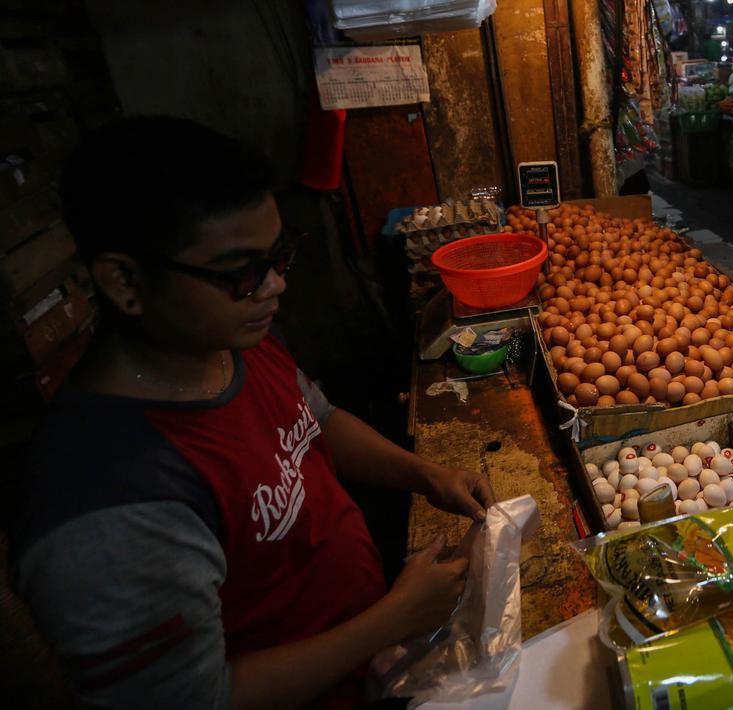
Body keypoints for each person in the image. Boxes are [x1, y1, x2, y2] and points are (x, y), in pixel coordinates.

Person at [12, 117, 496, 709]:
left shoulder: (231, 342)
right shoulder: (112, 503)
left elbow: (316, 421)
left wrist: (425, 474)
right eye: (240, 272)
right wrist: (392, 619)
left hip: (369, 657)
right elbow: (198, 699)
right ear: (124, 281)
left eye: (279, 256)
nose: (273, 287)